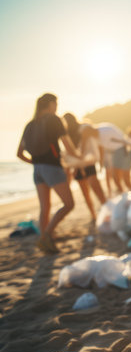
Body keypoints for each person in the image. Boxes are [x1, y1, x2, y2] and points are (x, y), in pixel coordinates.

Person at [16, 93, 78, 253]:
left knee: (45, 207)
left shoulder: (30, 124)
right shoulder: (54, 119)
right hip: (52, 167)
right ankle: (46, 236)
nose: (57, 107)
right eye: (56, 104)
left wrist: (37, 163)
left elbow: (20, 153)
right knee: (69, 204)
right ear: (51, 104)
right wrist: (79, 157)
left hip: (37, 170)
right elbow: (67, 145)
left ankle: (45, 240)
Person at [63, 113, 106, 221]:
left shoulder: (84, 128)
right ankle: (94, 215)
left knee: (95, 189)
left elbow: (97, 135)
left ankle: (106, 210)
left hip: (88, 163)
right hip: (78, 166)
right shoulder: (67, 136)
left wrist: (84, 139)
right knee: (86, 192)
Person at [95, 122, 131, 194]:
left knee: (123, 179)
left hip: (124, 150)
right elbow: (101, 151)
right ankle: (126, 193)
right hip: (122, 150)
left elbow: (123, 141)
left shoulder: (103, 131)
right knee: (118, 178)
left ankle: (130, 193)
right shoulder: (99, 134)